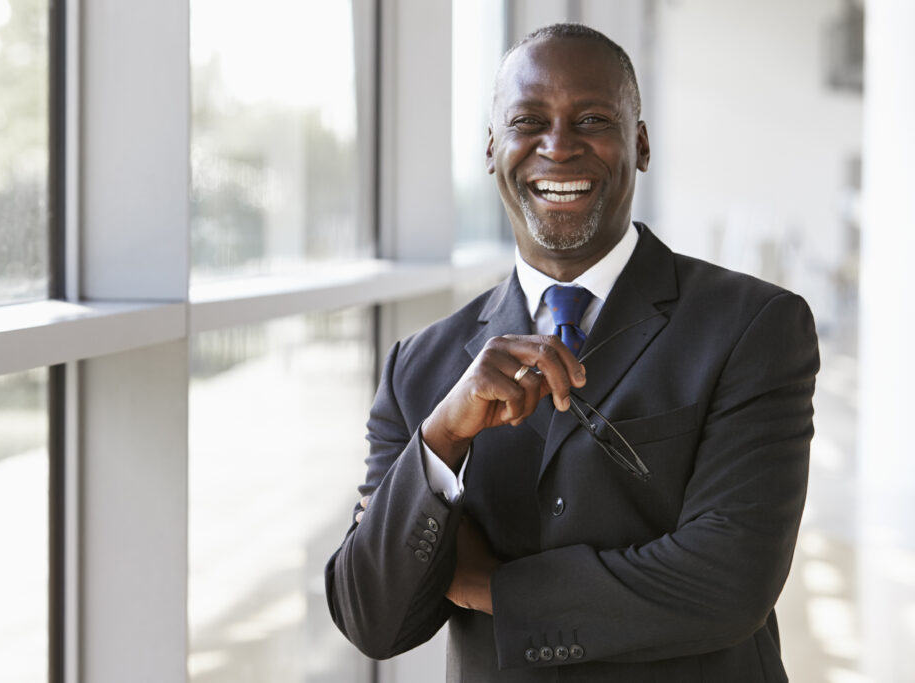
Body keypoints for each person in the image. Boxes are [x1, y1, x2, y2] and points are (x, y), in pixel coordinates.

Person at [325, 23, 818, 683]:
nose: (558, 147)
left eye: (592, 119)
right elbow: (373, 618)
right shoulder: (421, 368)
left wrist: (489, 587)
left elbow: (727, 581)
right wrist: (441, 438)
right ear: (493, 148)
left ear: (640, 144)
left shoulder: (756, 327)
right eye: (529, 121)